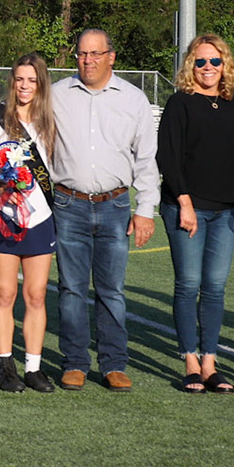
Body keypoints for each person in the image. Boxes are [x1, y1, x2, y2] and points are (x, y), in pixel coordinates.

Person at [47, 28, 159, 391]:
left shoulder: (134, 99)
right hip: (68, 204)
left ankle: (113, 363)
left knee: (112, 290)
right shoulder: (57, 94)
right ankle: (75, 361)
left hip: (114, 206)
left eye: (96, 53)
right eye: (82, 53)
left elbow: (145, 160)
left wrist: (145, 208)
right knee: (71, 290)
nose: (88, 60)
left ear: (111, 56)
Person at [156, 35, 234, 394]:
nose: (208, 68)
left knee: (215, 288)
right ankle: (190, 361)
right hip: (186, 208)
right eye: (200, 62)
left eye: (215, 62)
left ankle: (210, 363)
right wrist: (186, 203)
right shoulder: (180, 103)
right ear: (190, 66)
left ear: (225, 66)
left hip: (226, 212)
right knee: (188, 284)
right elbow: (168, 157)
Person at [0, 54, 60, 394]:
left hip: (40, 216)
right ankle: (5, 365)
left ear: (40, 84)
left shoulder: (50, 119)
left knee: (36, 295)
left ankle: (34, 368)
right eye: (19, 79)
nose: (25, 86)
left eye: (32, 80)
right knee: (6, 292)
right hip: (3, 214)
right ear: (12, 82)